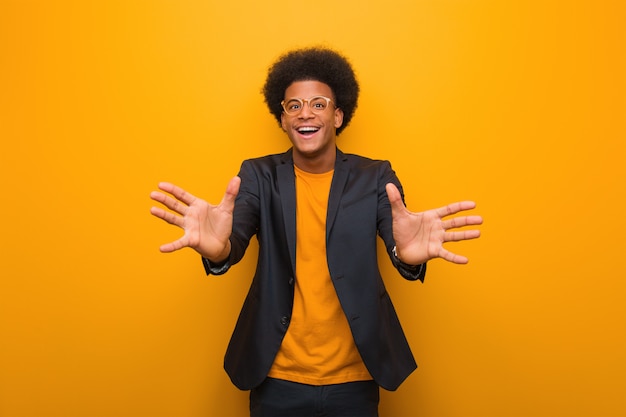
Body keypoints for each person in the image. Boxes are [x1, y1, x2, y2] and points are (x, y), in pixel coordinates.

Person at [150, 46, 482, 417]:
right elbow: (232, 240)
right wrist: (217, 250)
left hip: (355, 379)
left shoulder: (375, 177)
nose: (305, 113)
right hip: (275, 377)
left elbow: (399, 241)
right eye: (294, 106)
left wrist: (405, 256)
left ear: (338, 115)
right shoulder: (258, 176)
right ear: (283, 119)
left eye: (319, 104)